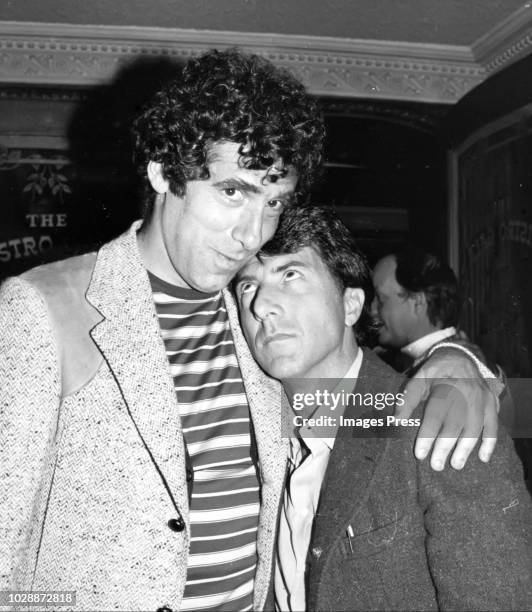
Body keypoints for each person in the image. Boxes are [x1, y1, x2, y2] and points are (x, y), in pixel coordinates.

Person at [0, 49, 498, 611]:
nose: (251, 234)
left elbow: (365, 408)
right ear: (164, 172)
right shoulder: (45, 309)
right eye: (233, 191)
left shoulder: (253, 316)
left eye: (273, 202)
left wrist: (454, 363)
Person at [234, 205, 532, 612]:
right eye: (247, 286)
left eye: (291, 274)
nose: (261, 304)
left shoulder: (440, 419)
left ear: (352, 306)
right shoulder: (256, 428)